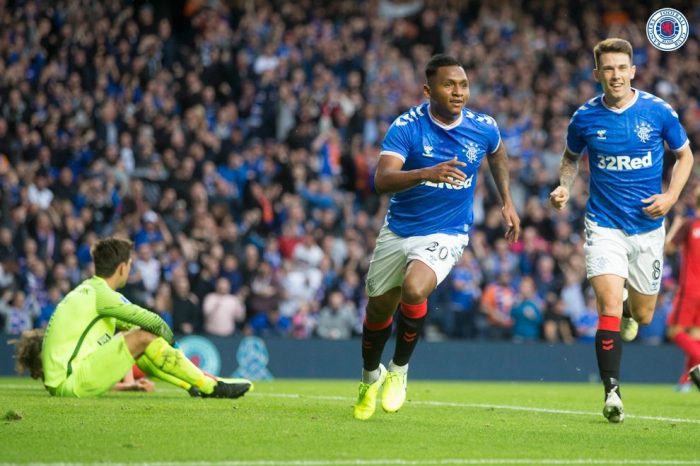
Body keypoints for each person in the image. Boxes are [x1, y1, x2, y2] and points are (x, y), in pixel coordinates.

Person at [353, 54, 520, 420]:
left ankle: (398, 371)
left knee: (414, 289)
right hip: (399, 230)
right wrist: (427, 172)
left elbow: (498, 155)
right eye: (449, 85)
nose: (458, 92)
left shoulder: (483, 126)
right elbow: (381, 180)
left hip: (447, 231)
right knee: (379, 308)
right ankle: (369, 378)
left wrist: (507, 201)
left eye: (463, 85)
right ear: (429, 90)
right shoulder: (407, 127)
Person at [550, 38, 693, 422]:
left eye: (621, 68)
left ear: (633, 71)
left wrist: (670, 197)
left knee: (643, 316)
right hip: (604, 224)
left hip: (648, 227)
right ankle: (612, 392)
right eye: (607, 69)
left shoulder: (657, 112)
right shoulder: (584, 118)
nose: (615, 75)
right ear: (597, 75)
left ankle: (632, 310)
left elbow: (685, 156)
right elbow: (570, 158)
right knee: (608, 305)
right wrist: (565, 184)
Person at [14, 237, 252, 398]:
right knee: (144, 336)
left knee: (140, 343)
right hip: (71, 382)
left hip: (65, 380)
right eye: (129, 264)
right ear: (121, 268)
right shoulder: (103, 296)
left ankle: (195, 384)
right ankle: (209, 385)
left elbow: (134, 331)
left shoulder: (87, 291)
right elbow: (154, 322)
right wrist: (176, 346)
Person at [665, 189, 700, 390]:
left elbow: (669, 248)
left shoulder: (689, 224)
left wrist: (675, 226)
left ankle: (697, 362)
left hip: (690, 290)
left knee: (674, 331)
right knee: (695, 336)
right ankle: (684, 382)